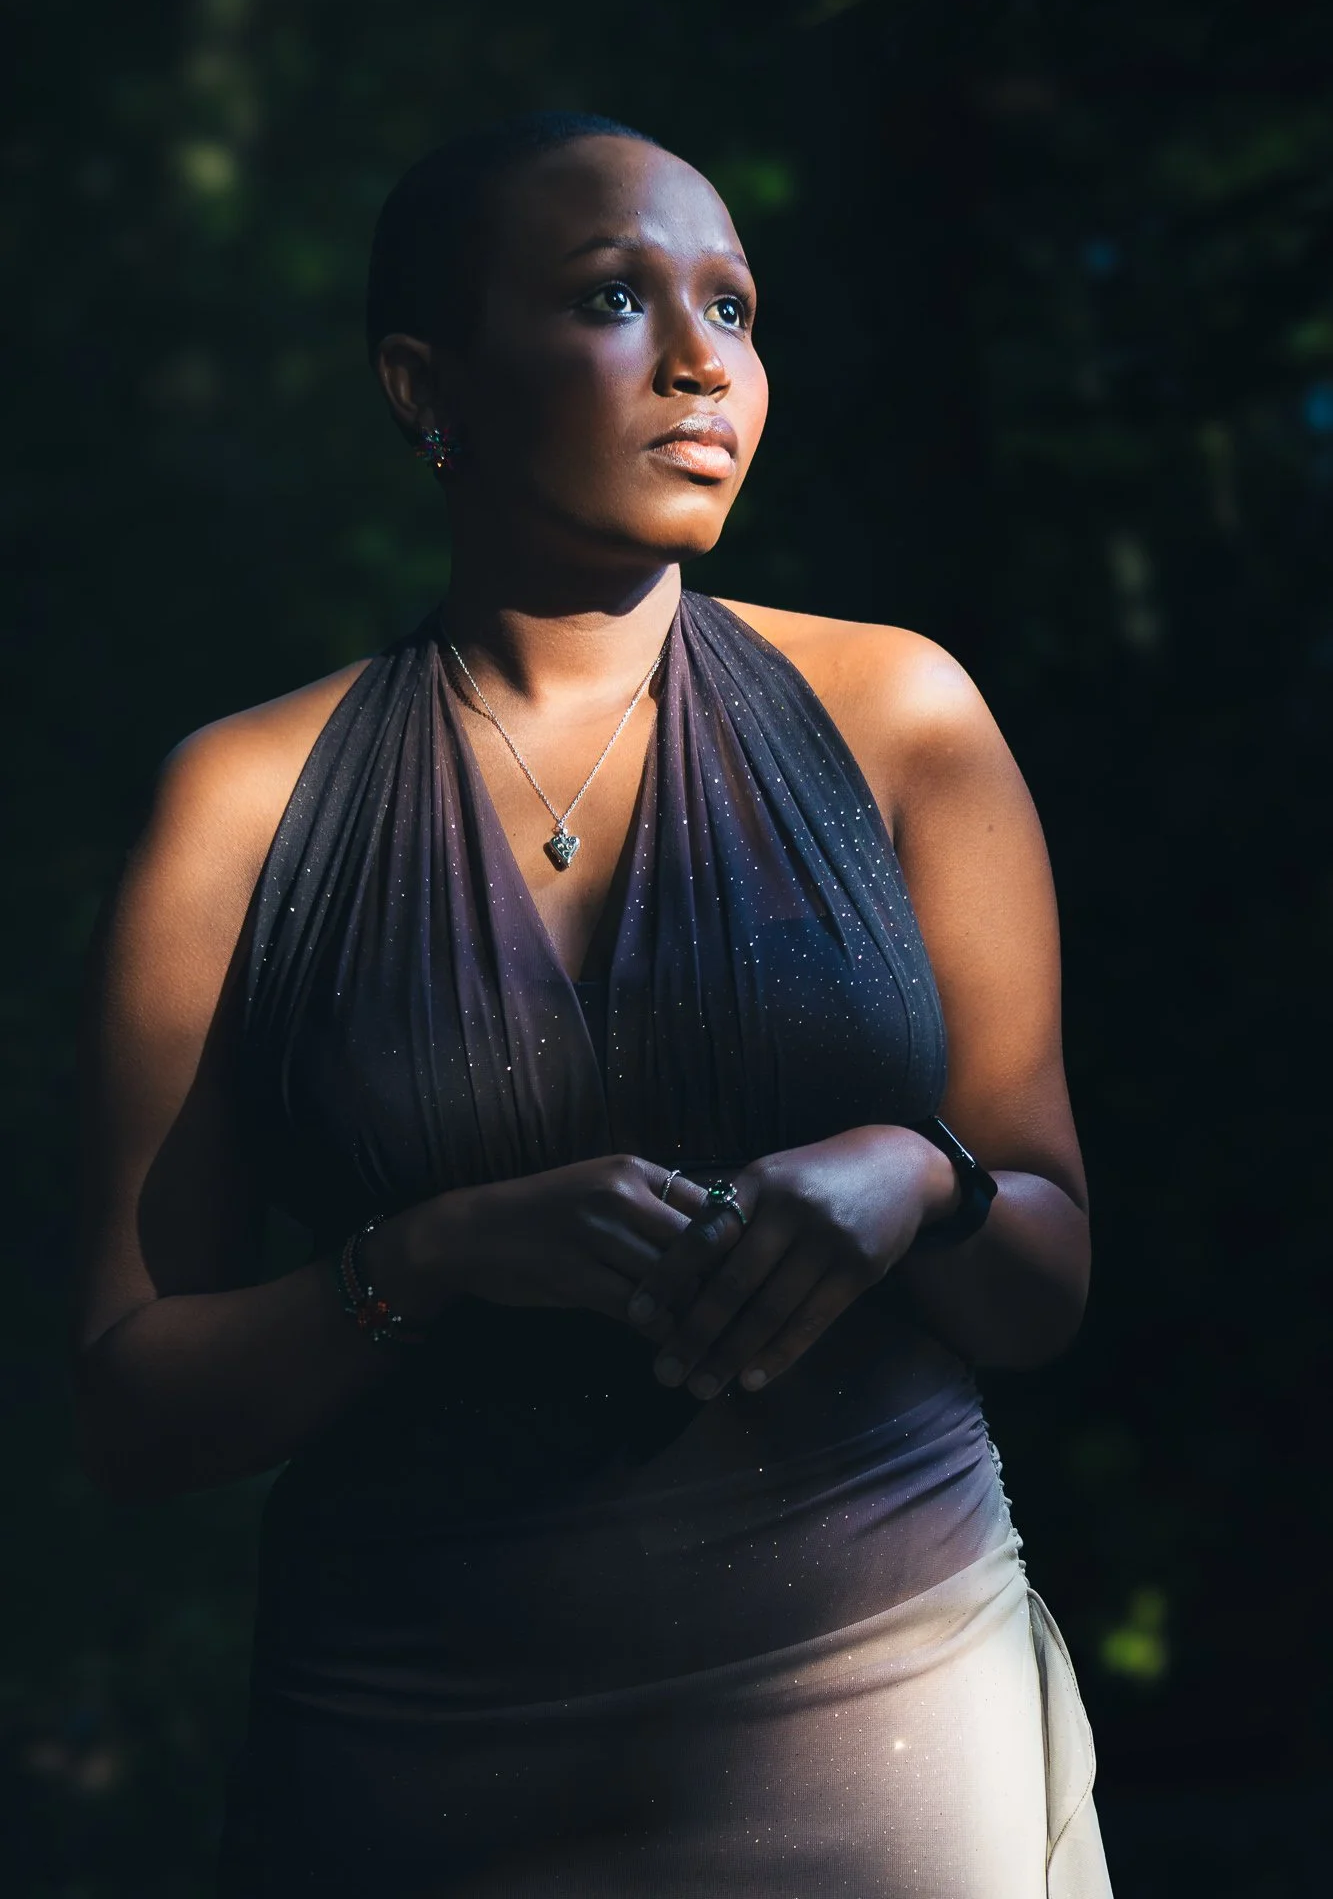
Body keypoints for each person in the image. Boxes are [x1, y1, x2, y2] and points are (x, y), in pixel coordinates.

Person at [73, 110, 1114, 1896]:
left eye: (736, 304)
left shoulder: (906, 722)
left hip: (886, 1729)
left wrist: (911, 1176)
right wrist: (434, 1253)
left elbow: (1047, 1273)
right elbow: (130, 1408)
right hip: (408, 1769)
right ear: (427, 386)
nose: (706, 361)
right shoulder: (236, 808)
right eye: (617, 298)